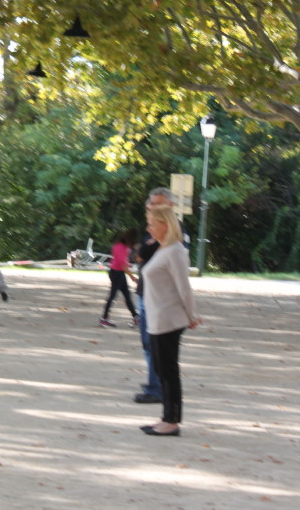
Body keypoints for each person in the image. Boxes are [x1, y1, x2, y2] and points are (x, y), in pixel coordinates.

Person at [139, 204, 202, 436]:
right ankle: (166, 417)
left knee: (168, 371)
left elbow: (184, 288)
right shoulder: (163, 248)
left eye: (152, 224)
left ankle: (172, 421)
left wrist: (191, 315)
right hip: (157, 319)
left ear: (165, 225)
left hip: (169, 320)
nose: (149, 229)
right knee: (162, 370)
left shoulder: (175, 250)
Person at [133, 187, 189, 405]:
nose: (152, 206)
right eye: (151, 203)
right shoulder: (152, 227)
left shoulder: (174, 232)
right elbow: (136, 252)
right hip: (145, 291)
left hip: (162, 298)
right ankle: (154, 384)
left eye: (158, 204)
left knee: (160, 349)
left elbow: (149, 255)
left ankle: (158, 389)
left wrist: (190, 314)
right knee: (148, 344)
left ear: (171, 206)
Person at [99, 228, 138, 328]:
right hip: (117, 273)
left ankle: (136, 317)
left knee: (127, 296)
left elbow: (122, 261)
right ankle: (104, 318)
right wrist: (132, 276)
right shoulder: (121, 247)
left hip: (118, 273)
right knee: (113, 296)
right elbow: (122, 264)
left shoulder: (119, 246)